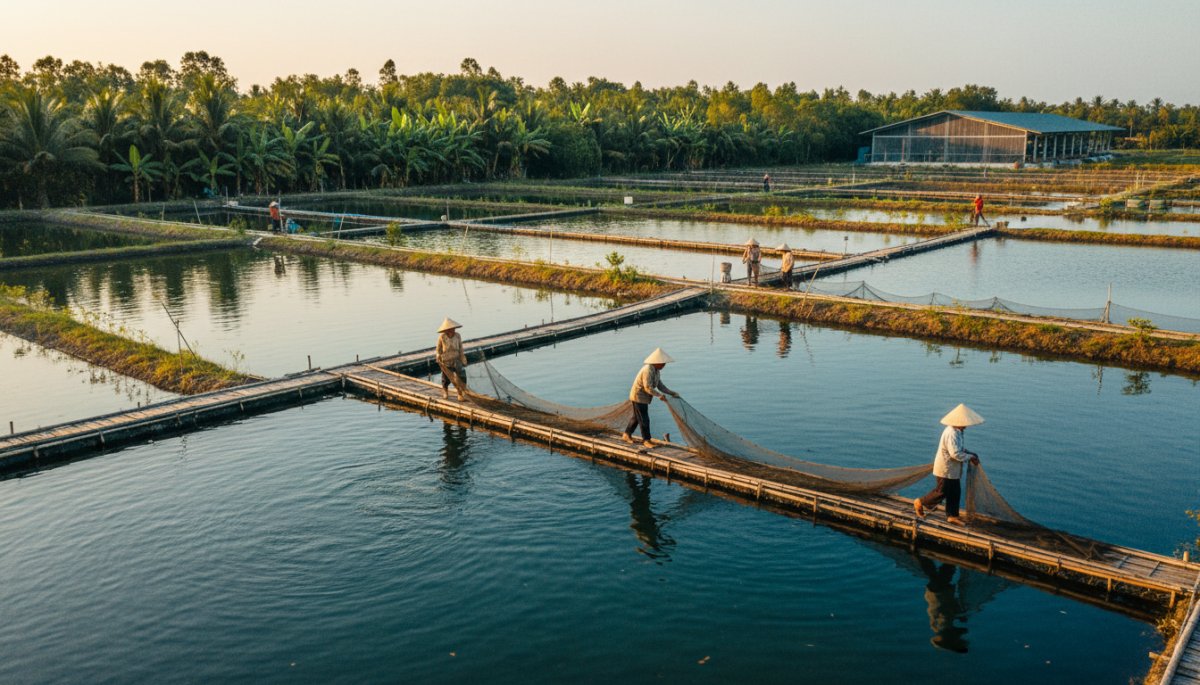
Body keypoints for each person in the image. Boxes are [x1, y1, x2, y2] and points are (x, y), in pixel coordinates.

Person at [914, 404, 983, 525]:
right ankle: (920, 502)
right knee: (942, 491)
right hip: (945, 469)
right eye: (965, 423)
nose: (966, 426)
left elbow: (959, 449)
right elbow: (955, 454)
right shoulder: (951, 433)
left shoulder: (958, 432)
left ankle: (952, 516)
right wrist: (970, 457)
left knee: (955, 492)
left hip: (953, 470)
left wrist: (968, 452)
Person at [622, 348, 679, 448]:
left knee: (636, 417)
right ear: (656, 362)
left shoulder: (656, 371)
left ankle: (626, 435)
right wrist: (659, 396)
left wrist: (671, 393)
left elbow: (660, 385)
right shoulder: (648, 370)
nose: (664, 365)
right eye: (662, 363)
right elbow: (647, 387)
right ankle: (646, 440)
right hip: (638, 397)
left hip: (643, 398)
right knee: (644, 419)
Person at [436, 317, 468, 400]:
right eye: (450, 329)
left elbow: (460, 348)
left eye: (453, 328)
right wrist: (438, 355)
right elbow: (438, 349)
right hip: (446, 360)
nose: (452, 330)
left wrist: (463, 358)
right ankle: (445, 392)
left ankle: (460, 394)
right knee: (446, 378)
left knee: (461, 376)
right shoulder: (442, 337)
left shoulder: (457, 336)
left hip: (456, 359)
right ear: (446, 330)